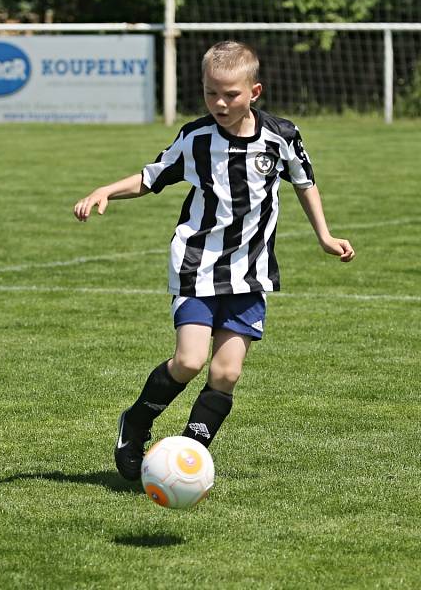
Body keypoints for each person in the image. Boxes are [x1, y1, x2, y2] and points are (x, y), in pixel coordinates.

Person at [73, 40, 355, 482]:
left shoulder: (282, 136)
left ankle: (185, 455)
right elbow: (152, 176)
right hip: (196, 264)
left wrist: (324, 235)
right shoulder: (196, 138)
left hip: (251, 271)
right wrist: (105, 190)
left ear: (254, 92)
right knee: (189, 361)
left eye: (231, 94)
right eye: (211, 93)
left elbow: (305, 181)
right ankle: (136, 424)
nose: (220, 103)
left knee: (226, 372)